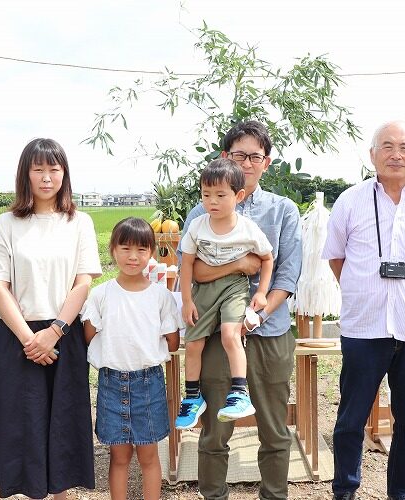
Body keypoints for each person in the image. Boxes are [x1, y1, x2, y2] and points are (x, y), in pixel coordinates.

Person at [322, 120, 405, 500]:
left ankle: (402, 493)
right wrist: (365, 290)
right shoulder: (350, 201)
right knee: (350, 421)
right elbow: (336, 258)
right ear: (372, 154)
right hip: (364, 328)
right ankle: (345, 491)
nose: (396, 154)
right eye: (388, 146)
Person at [181, 120, 302, 500]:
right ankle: (213, 495)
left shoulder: (283, 211)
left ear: (267, 162)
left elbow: (288, 275)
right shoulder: (201, 212)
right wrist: (239, 265)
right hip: (217, 332)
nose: (247, 163)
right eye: (239, 155)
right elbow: (193, 271)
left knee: (274, 429)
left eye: (255, 156)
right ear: (225, 156)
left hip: (269, 332)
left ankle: (274, 495)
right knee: (215, 430)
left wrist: (256, 316)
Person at [0, 138, 102, 499]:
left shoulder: (79, 222)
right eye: (38, 169)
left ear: (64, 173)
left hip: (63, 335)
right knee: (22, 428)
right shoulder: (7, 223)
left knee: (62, 427)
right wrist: (30, 339)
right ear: (25, 174)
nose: (47, 177)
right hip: (17, 338)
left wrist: (55, 331)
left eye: (54, 169)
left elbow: (83, 282)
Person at [81, 217, 183, 500]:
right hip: (111, 383)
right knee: (119, 457)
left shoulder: (161, 296)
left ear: (152, 252)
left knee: (149, 456)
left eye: (141, 249)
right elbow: (88, 335)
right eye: (125, 248)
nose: (133, 256)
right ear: (113, 250)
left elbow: (173, 342)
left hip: (149, 383)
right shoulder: (100, 294)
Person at [175, 158, 274, 429]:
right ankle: (192, 397)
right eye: (206, 194)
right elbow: (187, 265)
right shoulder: (197, 226)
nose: (212, 201)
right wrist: (186, 300)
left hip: (235, 287)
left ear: (238, 196)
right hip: (203, 289)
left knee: (231, 334)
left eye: (220, 195)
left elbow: (267, 258)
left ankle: (240, 393)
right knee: (193, 343)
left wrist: (262, 292)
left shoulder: (247, 228)